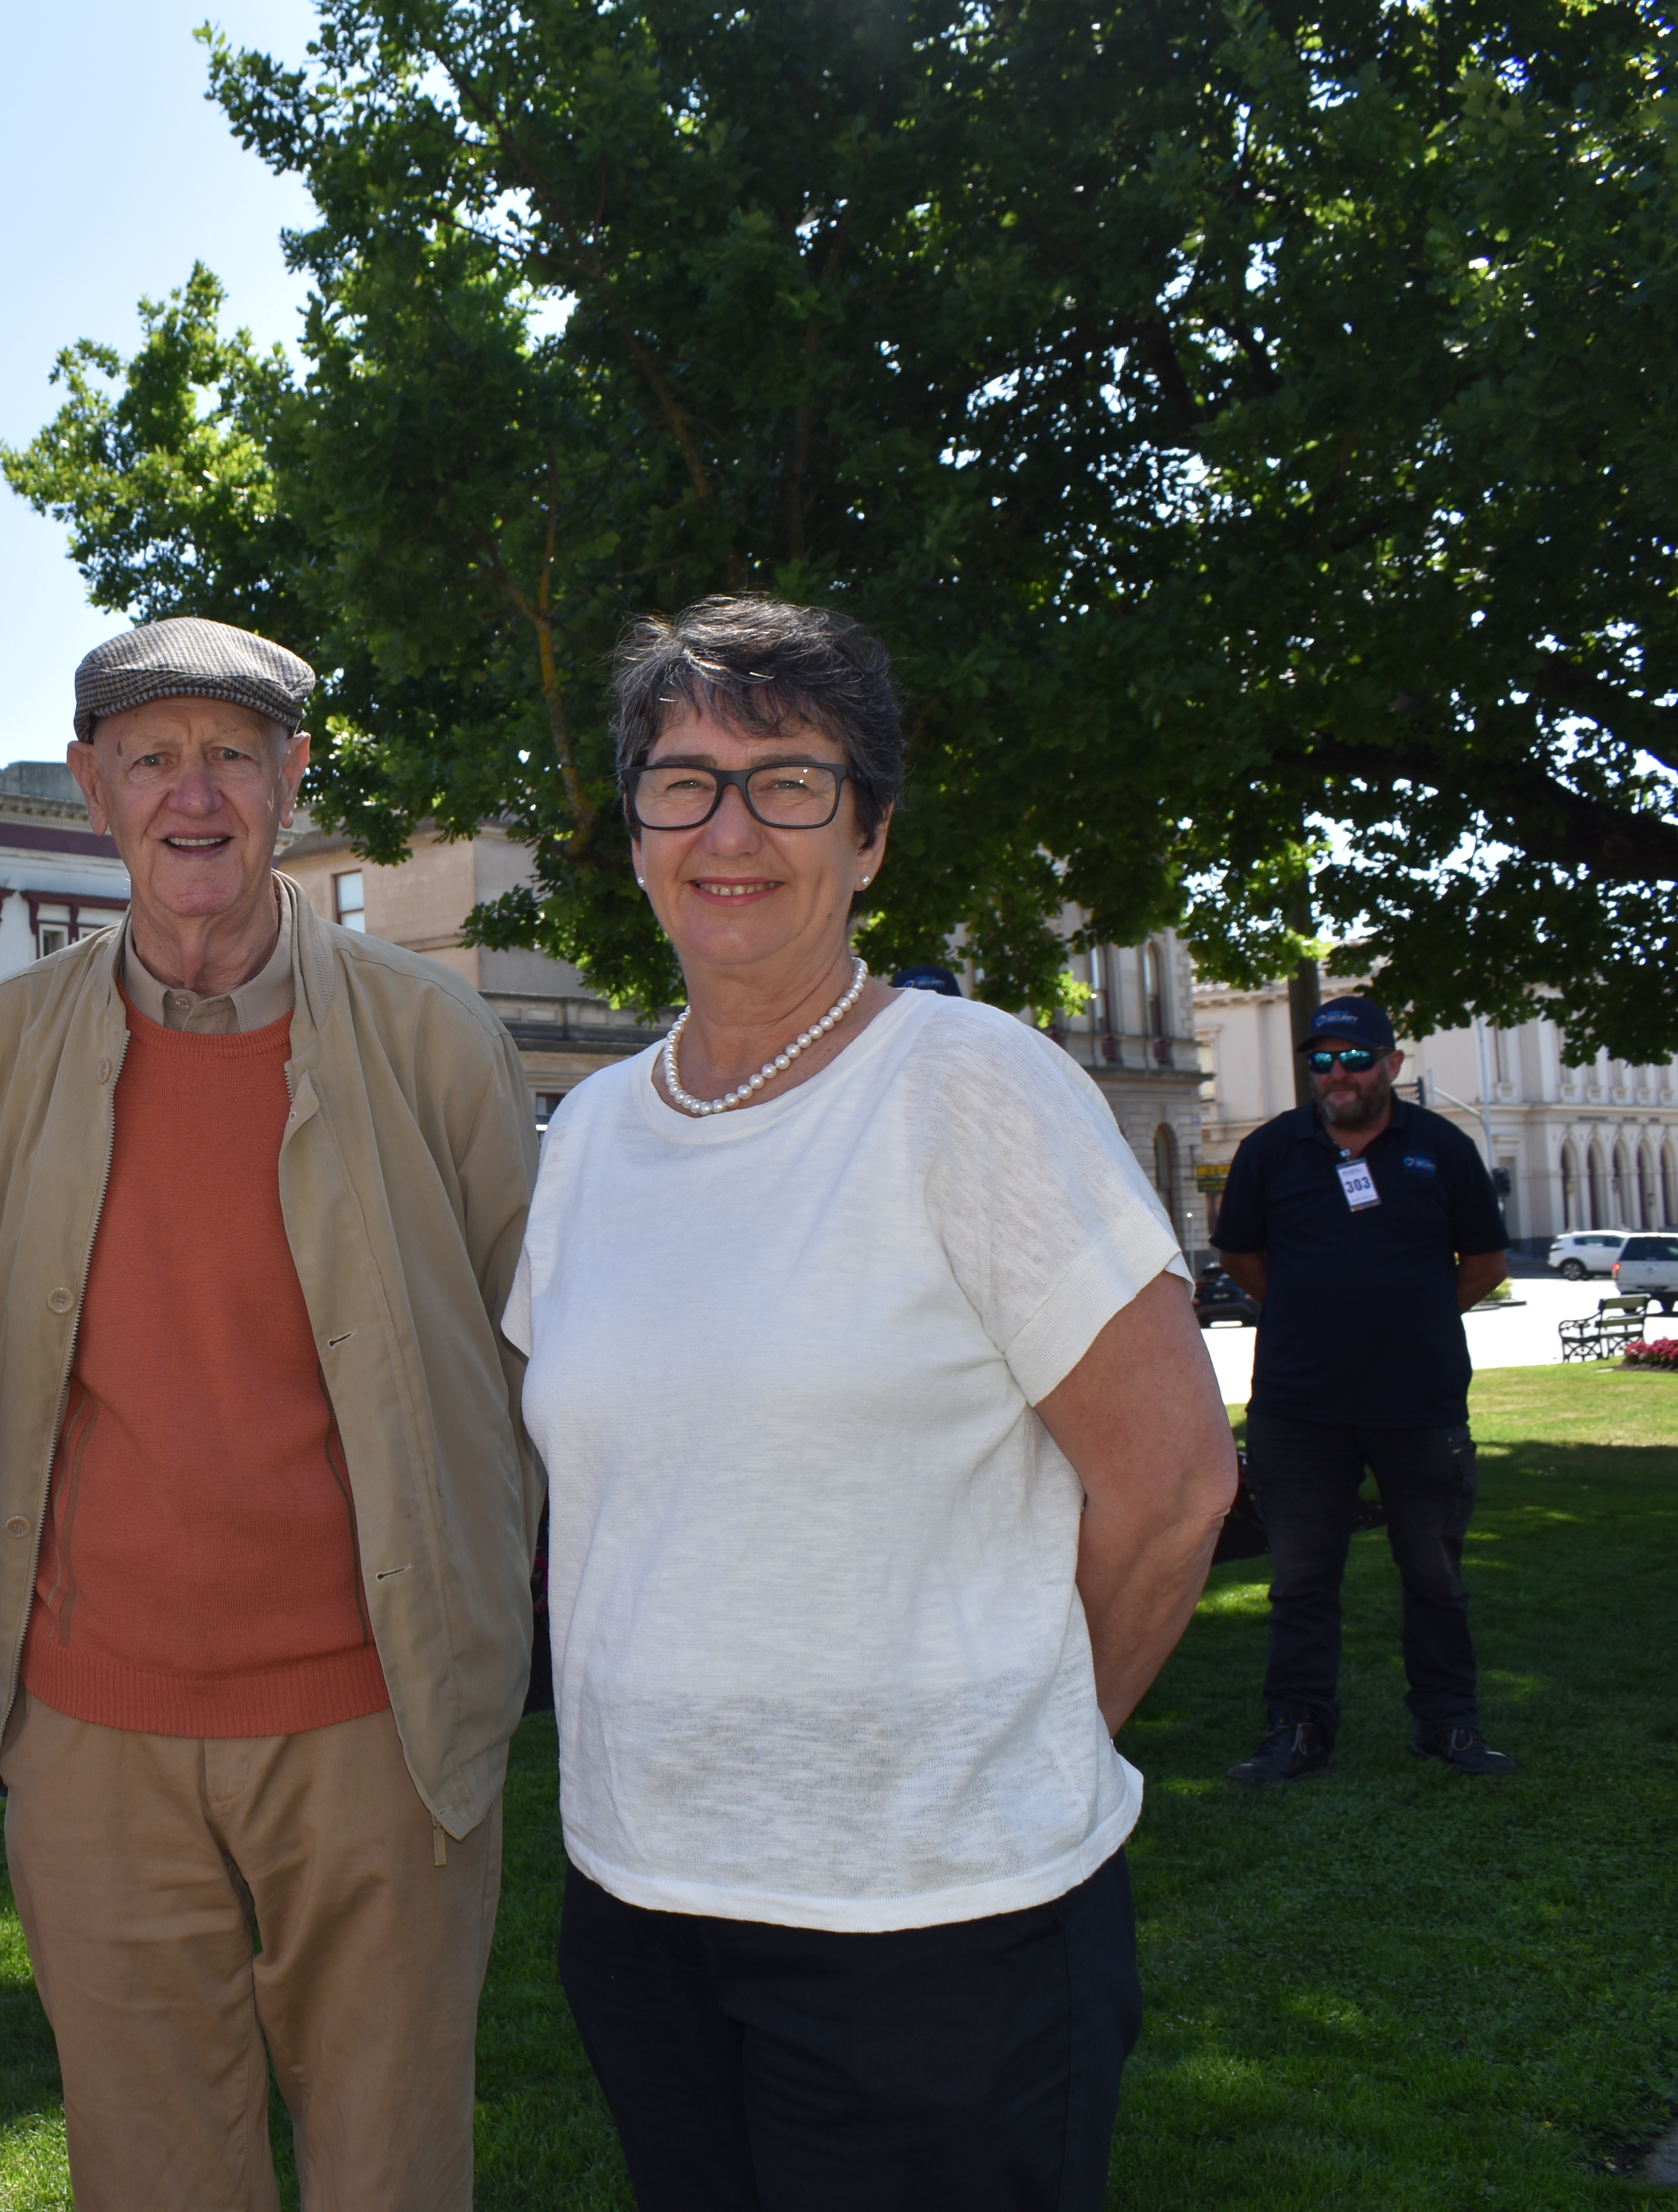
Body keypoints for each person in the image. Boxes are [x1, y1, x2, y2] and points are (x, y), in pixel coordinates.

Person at [503, 593, 1240, 2211]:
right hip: (639, 1907)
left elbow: (1175, 1490)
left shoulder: (970, 1087)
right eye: (682, 781)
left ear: (873, 836)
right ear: (634, 837)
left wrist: (1015, 1745)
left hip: (936, 1930)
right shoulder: (596, 1140)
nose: (729, 826)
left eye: (790, 779)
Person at [0, 616, 541, 2212]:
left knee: (390, 2171)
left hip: (377, 1733)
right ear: (89, 786)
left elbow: (519, 1361)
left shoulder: (438, 1046)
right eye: (148, 757)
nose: (189, 795)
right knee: (147, 2180)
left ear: (293, 777)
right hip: (94, 1738)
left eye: (229, 755)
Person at [1211, 993, 1517, 1784]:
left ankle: (1448, 1728)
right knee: (1302, 1582)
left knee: (1435, 1579)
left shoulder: (1442, 1151)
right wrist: (1311, 1309)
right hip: (1299, 1407)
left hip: (1419, 1406)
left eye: (1354, 1059)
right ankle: (1298, 1731)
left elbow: (1485, 1266)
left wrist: (1410, 1315)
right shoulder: (1273, 1152)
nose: (1337, 1074)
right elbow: (1241, 1257)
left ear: (1392, 1066)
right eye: (1321, 1061)